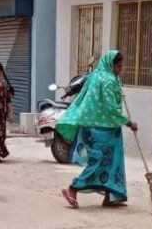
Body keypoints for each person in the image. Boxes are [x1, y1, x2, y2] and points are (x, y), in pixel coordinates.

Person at [57, 50, 138, 209]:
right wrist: (128, 122)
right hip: (102, 129)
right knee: (100, 161)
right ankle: (73, 188)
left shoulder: (96, 76)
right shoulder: (108, 80)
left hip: (96, 126)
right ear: (111, 64)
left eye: (122, 66)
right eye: (118, 66)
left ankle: (111, 196)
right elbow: (111, 109)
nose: (120, 69)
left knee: (112, 162)